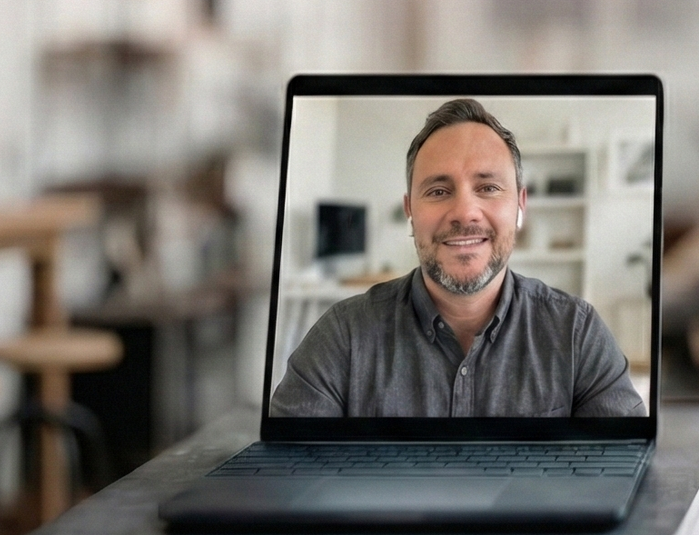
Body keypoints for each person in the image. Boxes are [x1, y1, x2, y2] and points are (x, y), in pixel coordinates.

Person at [270, 98, 646, 417]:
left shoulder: (577, 333)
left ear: (520, 205)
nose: (465, 212)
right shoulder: (343, 336)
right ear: (410, 210)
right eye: (437, 191)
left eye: (488, 187)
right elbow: (286, 476)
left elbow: (628, 475)